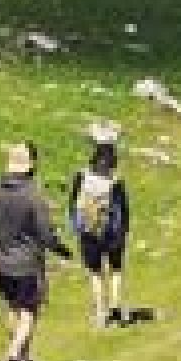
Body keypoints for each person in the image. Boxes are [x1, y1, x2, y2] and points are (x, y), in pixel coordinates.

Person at [0, 140, 71, 361]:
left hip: (2, 263)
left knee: (13, 311)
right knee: (28, 314)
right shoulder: (32, 194)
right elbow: (46, 233)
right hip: (27, 265)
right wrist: (62, 250)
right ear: (32, 165)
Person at [67, 121, 131, 328]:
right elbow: (123, 208)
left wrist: (76, 226)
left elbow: (73, 202)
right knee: (115, 269)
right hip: (113, 231)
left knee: (95, 272)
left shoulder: (81, 176)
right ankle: (115, 309)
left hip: (89, 230)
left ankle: (100, 313)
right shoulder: (116, 180)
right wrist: (124, 230)